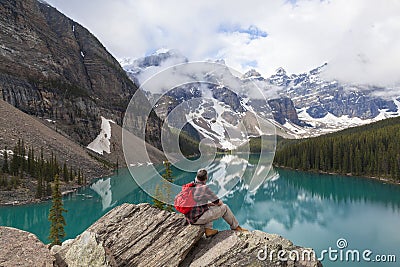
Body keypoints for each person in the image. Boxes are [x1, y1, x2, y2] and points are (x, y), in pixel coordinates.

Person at [185, 169, 248, 237]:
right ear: (206, 178)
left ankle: (208, 230)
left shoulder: (191, 185)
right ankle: (236, 227)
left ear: (197, 177)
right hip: (197, 219)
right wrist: (217, 203)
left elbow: (195, 201)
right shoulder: (203, 188)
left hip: (189, 217)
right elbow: (219, 202)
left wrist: (208, 204)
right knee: (225, 207)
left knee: (209, 207)